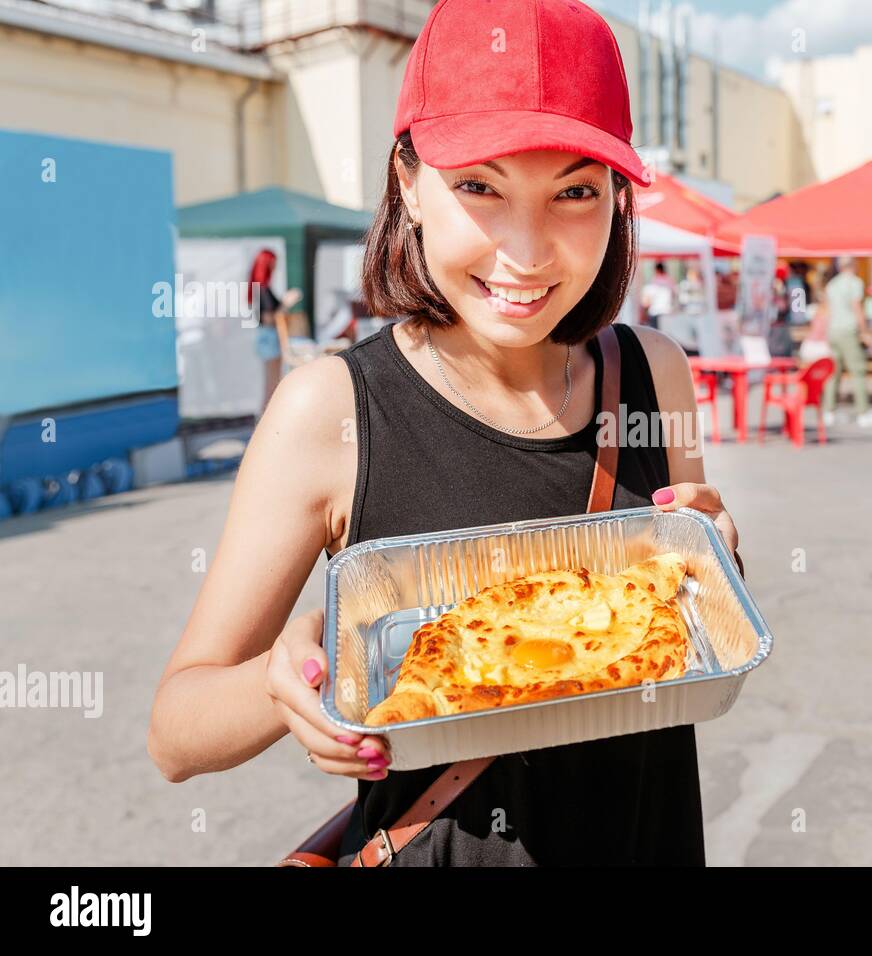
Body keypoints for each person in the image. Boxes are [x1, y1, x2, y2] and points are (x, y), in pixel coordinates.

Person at [148, 0, 741, 867]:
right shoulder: (331, 412)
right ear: (407, 184)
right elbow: (176, 733)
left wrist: (716, 561)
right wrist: (286, 686)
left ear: (617, 196)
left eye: (575, 191)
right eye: (479, 186)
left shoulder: (658, 373)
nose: (528, 252)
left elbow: (686, 624)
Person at [819, 256, 872, 428]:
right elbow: (857, 308)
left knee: (834, 373)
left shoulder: (832, 284)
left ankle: (829, 411)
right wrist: (865, 332)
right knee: (858, 371)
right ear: (853, 265)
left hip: (833, 331)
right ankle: (863, 412)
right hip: (848, 331)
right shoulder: (855, 283)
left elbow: (827, 311)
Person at [247, 248, 302, 415]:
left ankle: (264, 422)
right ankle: (264, 423)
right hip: (269, 337)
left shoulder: (259, 288)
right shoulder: (262, 289)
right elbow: (268, 318)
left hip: (267, 337)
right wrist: (286, 303)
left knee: (272, 384)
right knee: (272, 386)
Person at [640, 261, 676, 330]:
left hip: (655, 313)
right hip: (667, 313)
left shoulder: (653, 281)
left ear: (657, 270)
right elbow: (674, 296)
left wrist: (643, 314)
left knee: (655, 336)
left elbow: (646, 302)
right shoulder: (670, 281)